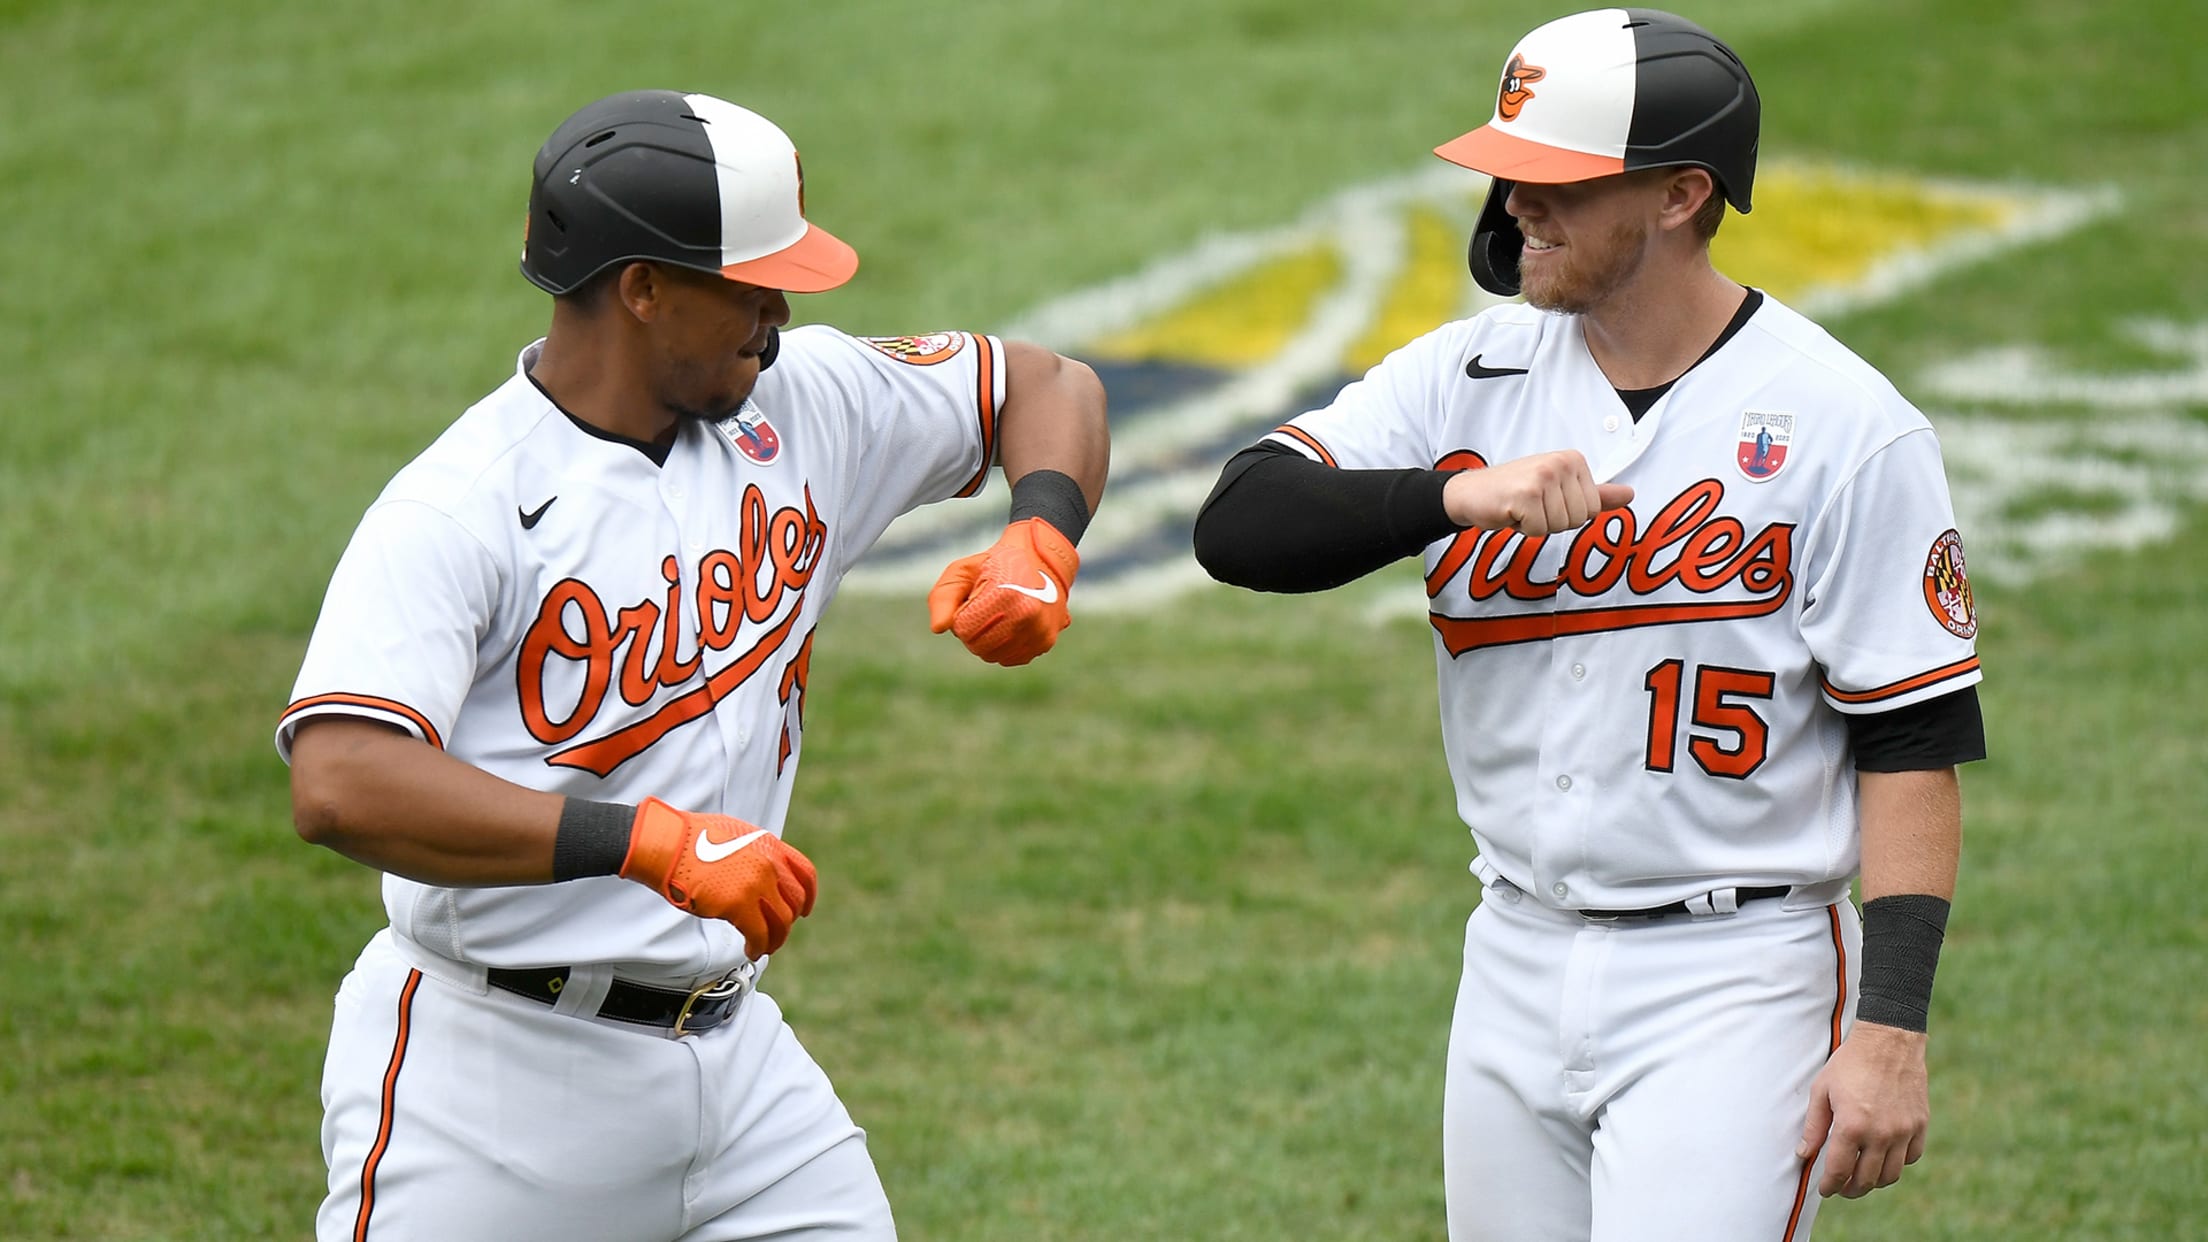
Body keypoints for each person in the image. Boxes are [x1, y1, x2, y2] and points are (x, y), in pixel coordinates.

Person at [1193, 11, 1982, 1240]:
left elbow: (1911, 743)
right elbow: (1238, 525)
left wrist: (1888, 1032)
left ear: (1680, 195)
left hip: (1739, 980)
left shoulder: (1844, 426)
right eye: (1510, 174)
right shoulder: (1463, 380)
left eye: (1556, 181)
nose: (1516, 208)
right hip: (1510, 951)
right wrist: (1452, 497)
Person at [278, 89, 1107, 1242]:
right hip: (492, 1091)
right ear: (642, 287)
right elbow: (340, 782)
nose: (778, 313)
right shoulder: (460, 508)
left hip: (742, 1076)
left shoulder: (802, 406)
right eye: (751, 283)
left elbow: (1048, 384)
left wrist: (1044, 534)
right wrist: (645, 844)